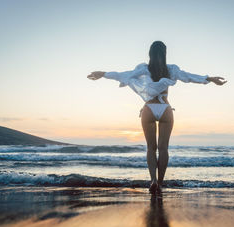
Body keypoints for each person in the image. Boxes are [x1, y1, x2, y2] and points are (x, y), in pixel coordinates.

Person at [87, 41, 226, 194]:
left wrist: (103, 74)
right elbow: (189, 77)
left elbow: (123, 75)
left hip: (149, 109)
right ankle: (160, 183)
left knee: (151, 149)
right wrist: (210, 79)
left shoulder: (144, 68)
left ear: (150, 54)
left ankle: (152, 180)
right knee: (163, 148)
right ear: (165, 54)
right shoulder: (171, 69)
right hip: (165, 108)